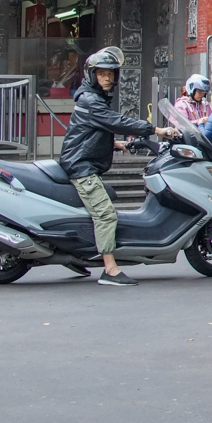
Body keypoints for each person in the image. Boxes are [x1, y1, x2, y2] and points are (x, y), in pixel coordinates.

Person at [58, 46, 177, 286]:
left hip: (82, 161)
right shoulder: (92, 100)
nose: (108, 79)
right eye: (102, 74)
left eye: (111, 74)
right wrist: (156, 130)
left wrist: (113, 144)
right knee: (106, 215)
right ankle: (110, 270)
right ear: (92, 75)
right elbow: (116, 121)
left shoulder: (90, 98)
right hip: (81, 167)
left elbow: (87, 132)